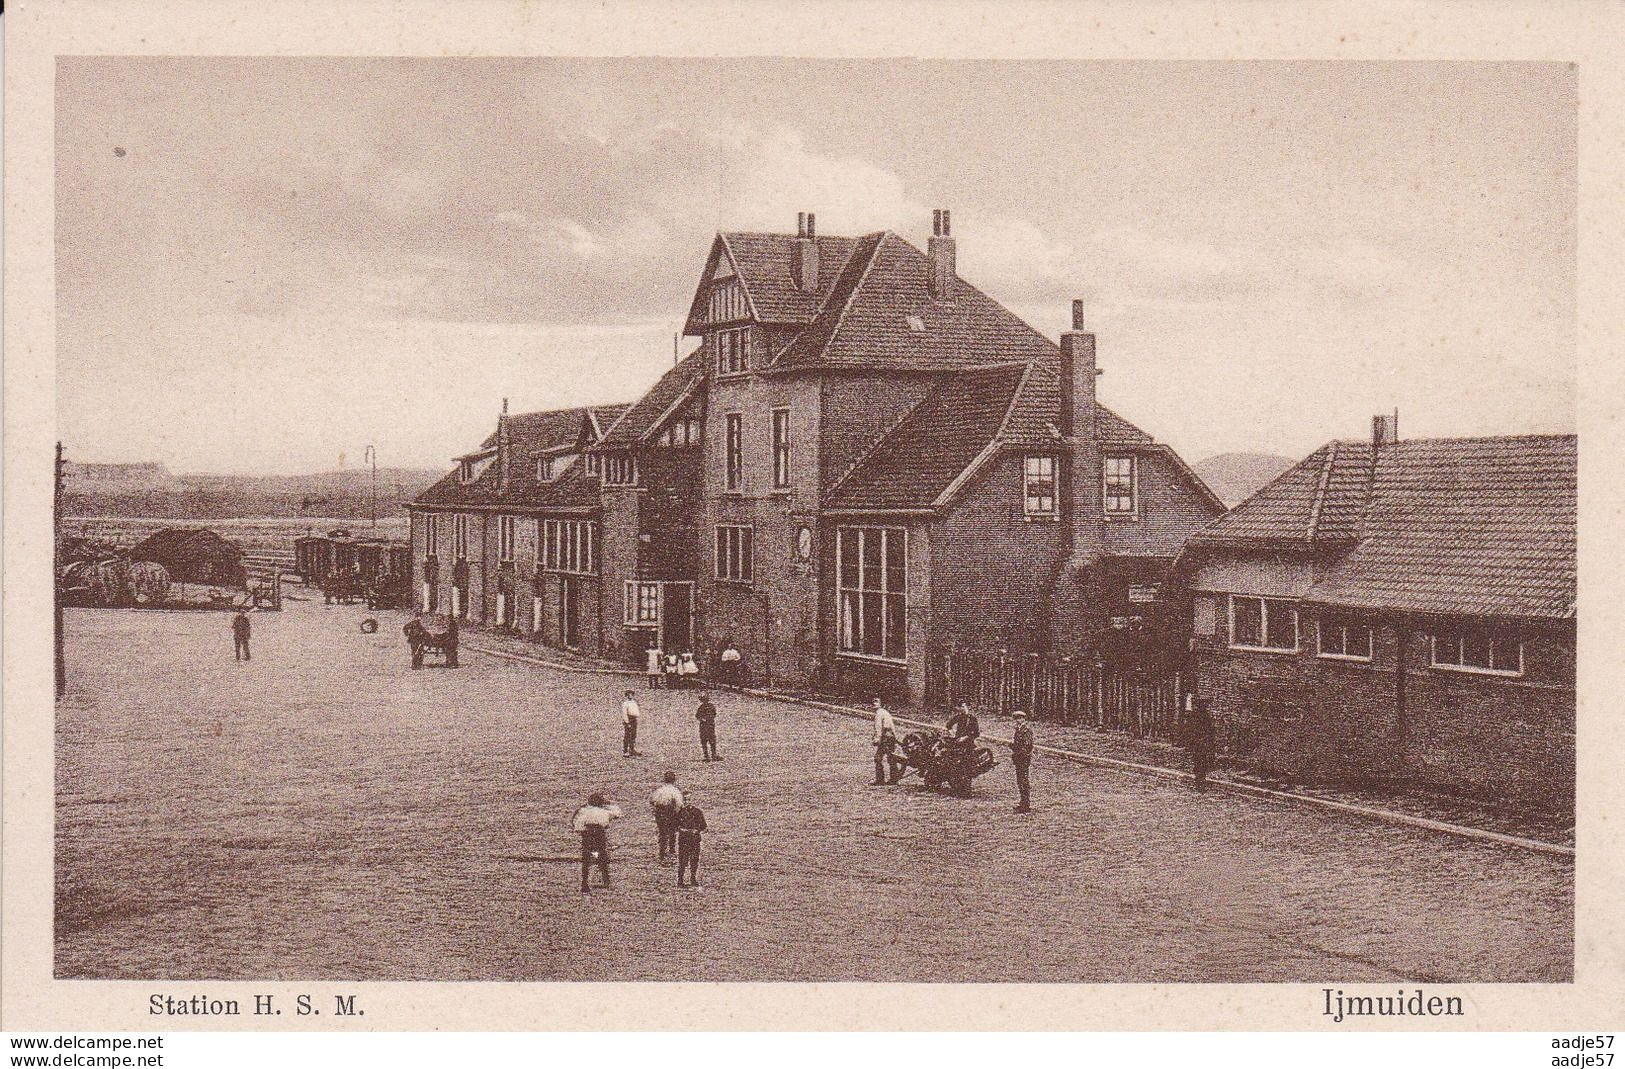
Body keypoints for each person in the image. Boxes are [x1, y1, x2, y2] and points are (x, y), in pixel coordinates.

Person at [572, 793, 623, 893]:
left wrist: (582, 832)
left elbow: (577, 824)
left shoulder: (584, 811)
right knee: (602, 857)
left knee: (586, 859)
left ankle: (585, 883)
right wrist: (609, 803)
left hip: (588, 835)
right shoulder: (605, 811)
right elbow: (618, 813)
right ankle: (606, 881)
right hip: (599, 834)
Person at [1183, 695, 1217, 791]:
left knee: (1200, 763)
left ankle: (1200, 781)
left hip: (1201, 744)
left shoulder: (1200, 716)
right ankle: (1200, 782)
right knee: (1200, 763)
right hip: (1200, 744)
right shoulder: (1201, 717)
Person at [675, 794, 708, 888]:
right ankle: (680, 880)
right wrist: (681, 830)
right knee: (682, 861)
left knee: (694, 860)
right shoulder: (679, 813)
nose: (686, 802)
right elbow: (674, 826)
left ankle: (693, 879)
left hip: (694, 840)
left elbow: (704, 826)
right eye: (684, 800)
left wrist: (696, 830)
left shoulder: (697, 812)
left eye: (688, 800)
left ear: (691, 800)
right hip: (683, 840)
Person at [650, 772, 684, 864]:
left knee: (662, 833)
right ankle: (671, 850)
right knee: (672, 833)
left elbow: (652, 800)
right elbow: (679, 804)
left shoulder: (659, 790)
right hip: (671, 813)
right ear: (674, 780)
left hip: (660, 813)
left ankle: (662, 851)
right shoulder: (675, 791)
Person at [1010, 710, 1035, 813]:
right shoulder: (1018, 729)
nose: (1018, 720)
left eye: (1020, 718)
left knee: (1024, 781)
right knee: (1020, 781)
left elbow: (1027, 746)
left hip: (1023, 759)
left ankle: (1026, 804)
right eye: (1016, 719)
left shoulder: (1026, 731)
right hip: (1018, 759)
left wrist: (1017, 751)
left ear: (1024, 719)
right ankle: (1022, 802)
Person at [872, 698, 898, 786]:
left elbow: (878, 727)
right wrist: (895, 738)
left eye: (876, 702)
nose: (874, 704)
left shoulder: (879, 713)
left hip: (885, 738)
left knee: (878, 758)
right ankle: (894, 778)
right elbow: (892, 726)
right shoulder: (886, 712)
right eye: (873, 702)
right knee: (891, 757)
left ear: (880, 704)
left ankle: (880, 780)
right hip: (890, 737)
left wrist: (877, 739)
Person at [695, 691, 719, 761]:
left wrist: (705, 719)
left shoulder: (709, 706)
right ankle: (707, 756)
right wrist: (702, 719)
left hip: (708, 725)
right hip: (705, 725)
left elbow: (714, 714)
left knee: (711, 740)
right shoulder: (702, 707)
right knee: (705, 741)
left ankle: (713, 755)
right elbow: (697, 716)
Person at [621, 690, 642, 757]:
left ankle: (632, 749)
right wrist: (627, 722)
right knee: (627, 735)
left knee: (633, 735)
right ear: (627, 696)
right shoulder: (625, 703)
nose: (630, 696)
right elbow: (624, 714)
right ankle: (625, 750)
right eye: (629, 695)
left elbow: (636, 711)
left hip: (634, 720)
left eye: (631, 694)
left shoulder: (634, 702)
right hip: (629, 720)